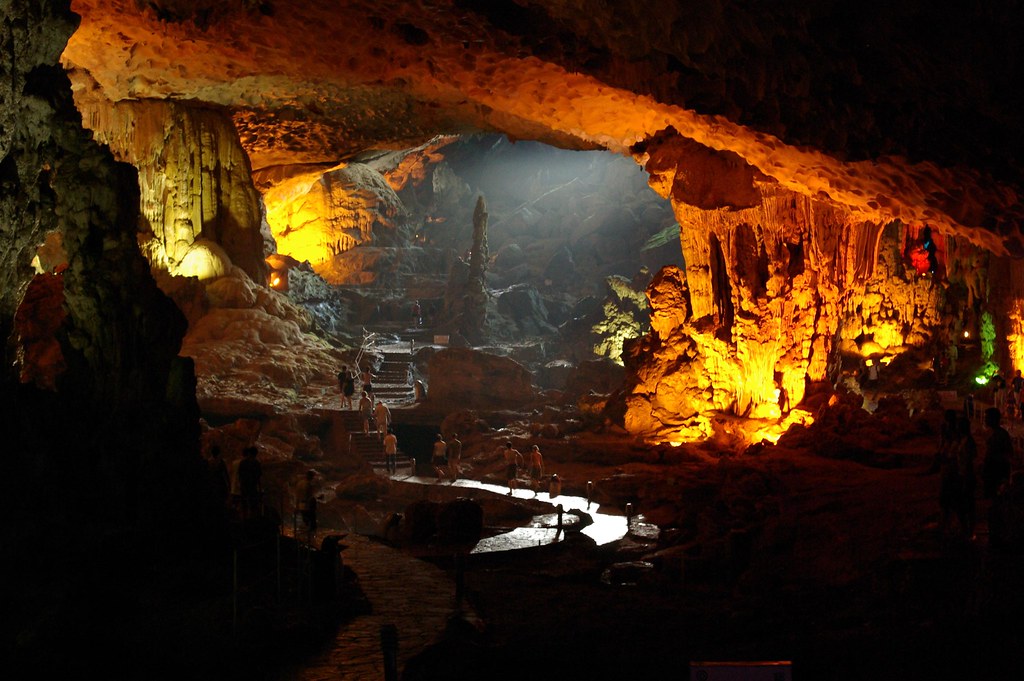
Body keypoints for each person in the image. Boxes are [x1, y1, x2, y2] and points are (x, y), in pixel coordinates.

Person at [983, 407, 1013, 499]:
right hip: (991, 469)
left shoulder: (1001, 434)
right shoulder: (991, 433)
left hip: (998, 471)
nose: (985, 420)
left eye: (987, 417)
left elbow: (1008, 453)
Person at [955, 416, 977, 539]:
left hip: (966, 475)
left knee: (967, 502)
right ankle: (965, 528)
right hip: (962, 474)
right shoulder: (963, 440)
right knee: (963, 502)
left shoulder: (968, 441)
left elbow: (969, 460)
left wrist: (965, 477)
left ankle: (969, 529)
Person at [237, 446, 262, 519]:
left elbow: (240, 475)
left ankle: (244, 520)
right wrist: (259, 488)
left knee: (244, 505)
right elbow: (258, 477)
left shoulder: (243, 462)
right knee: (253, 506)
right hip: (253, 487)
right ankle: (252, 521)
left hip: (244, 487)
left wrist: (240, 485)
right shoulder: (256, 463)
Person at [295, 469, 319, 535]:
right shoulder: (308, 485)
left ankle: (306, 535)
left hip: (300, 505)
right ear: (311, 477)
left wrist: (296, 506)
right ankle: (311, 537)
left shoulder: (299, 483)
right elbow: (310, 497)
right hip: (308, 506)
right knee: (311, 523)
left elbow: (297, 495)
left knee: (305, 521)